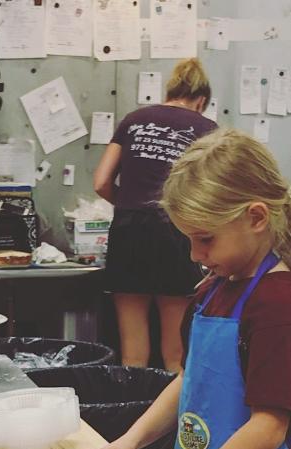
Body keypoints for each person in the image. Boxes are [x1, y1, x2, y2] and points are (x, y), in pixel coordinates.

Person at [81, 129, 291, 449]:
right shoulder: (215, 289)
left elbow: (268, 428)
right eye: (189, 241)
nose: (197, 255)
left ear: (256, 218)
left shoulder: (277, 306)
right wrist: (129, 441)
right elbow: (190, 378)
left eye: (206, 239)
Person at [93, 58, 217, 372]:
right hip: (175, 232)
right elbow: (214, 194)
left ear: (171, 90)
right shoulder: (207, 129)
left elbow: (101, 182)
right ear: (201, 101)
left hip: (128, 231)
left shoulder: (134, 119)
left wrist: (129, 205)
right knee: (175, 355)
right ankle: (173, 422)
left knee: (132, 356)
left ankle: (134, 419)